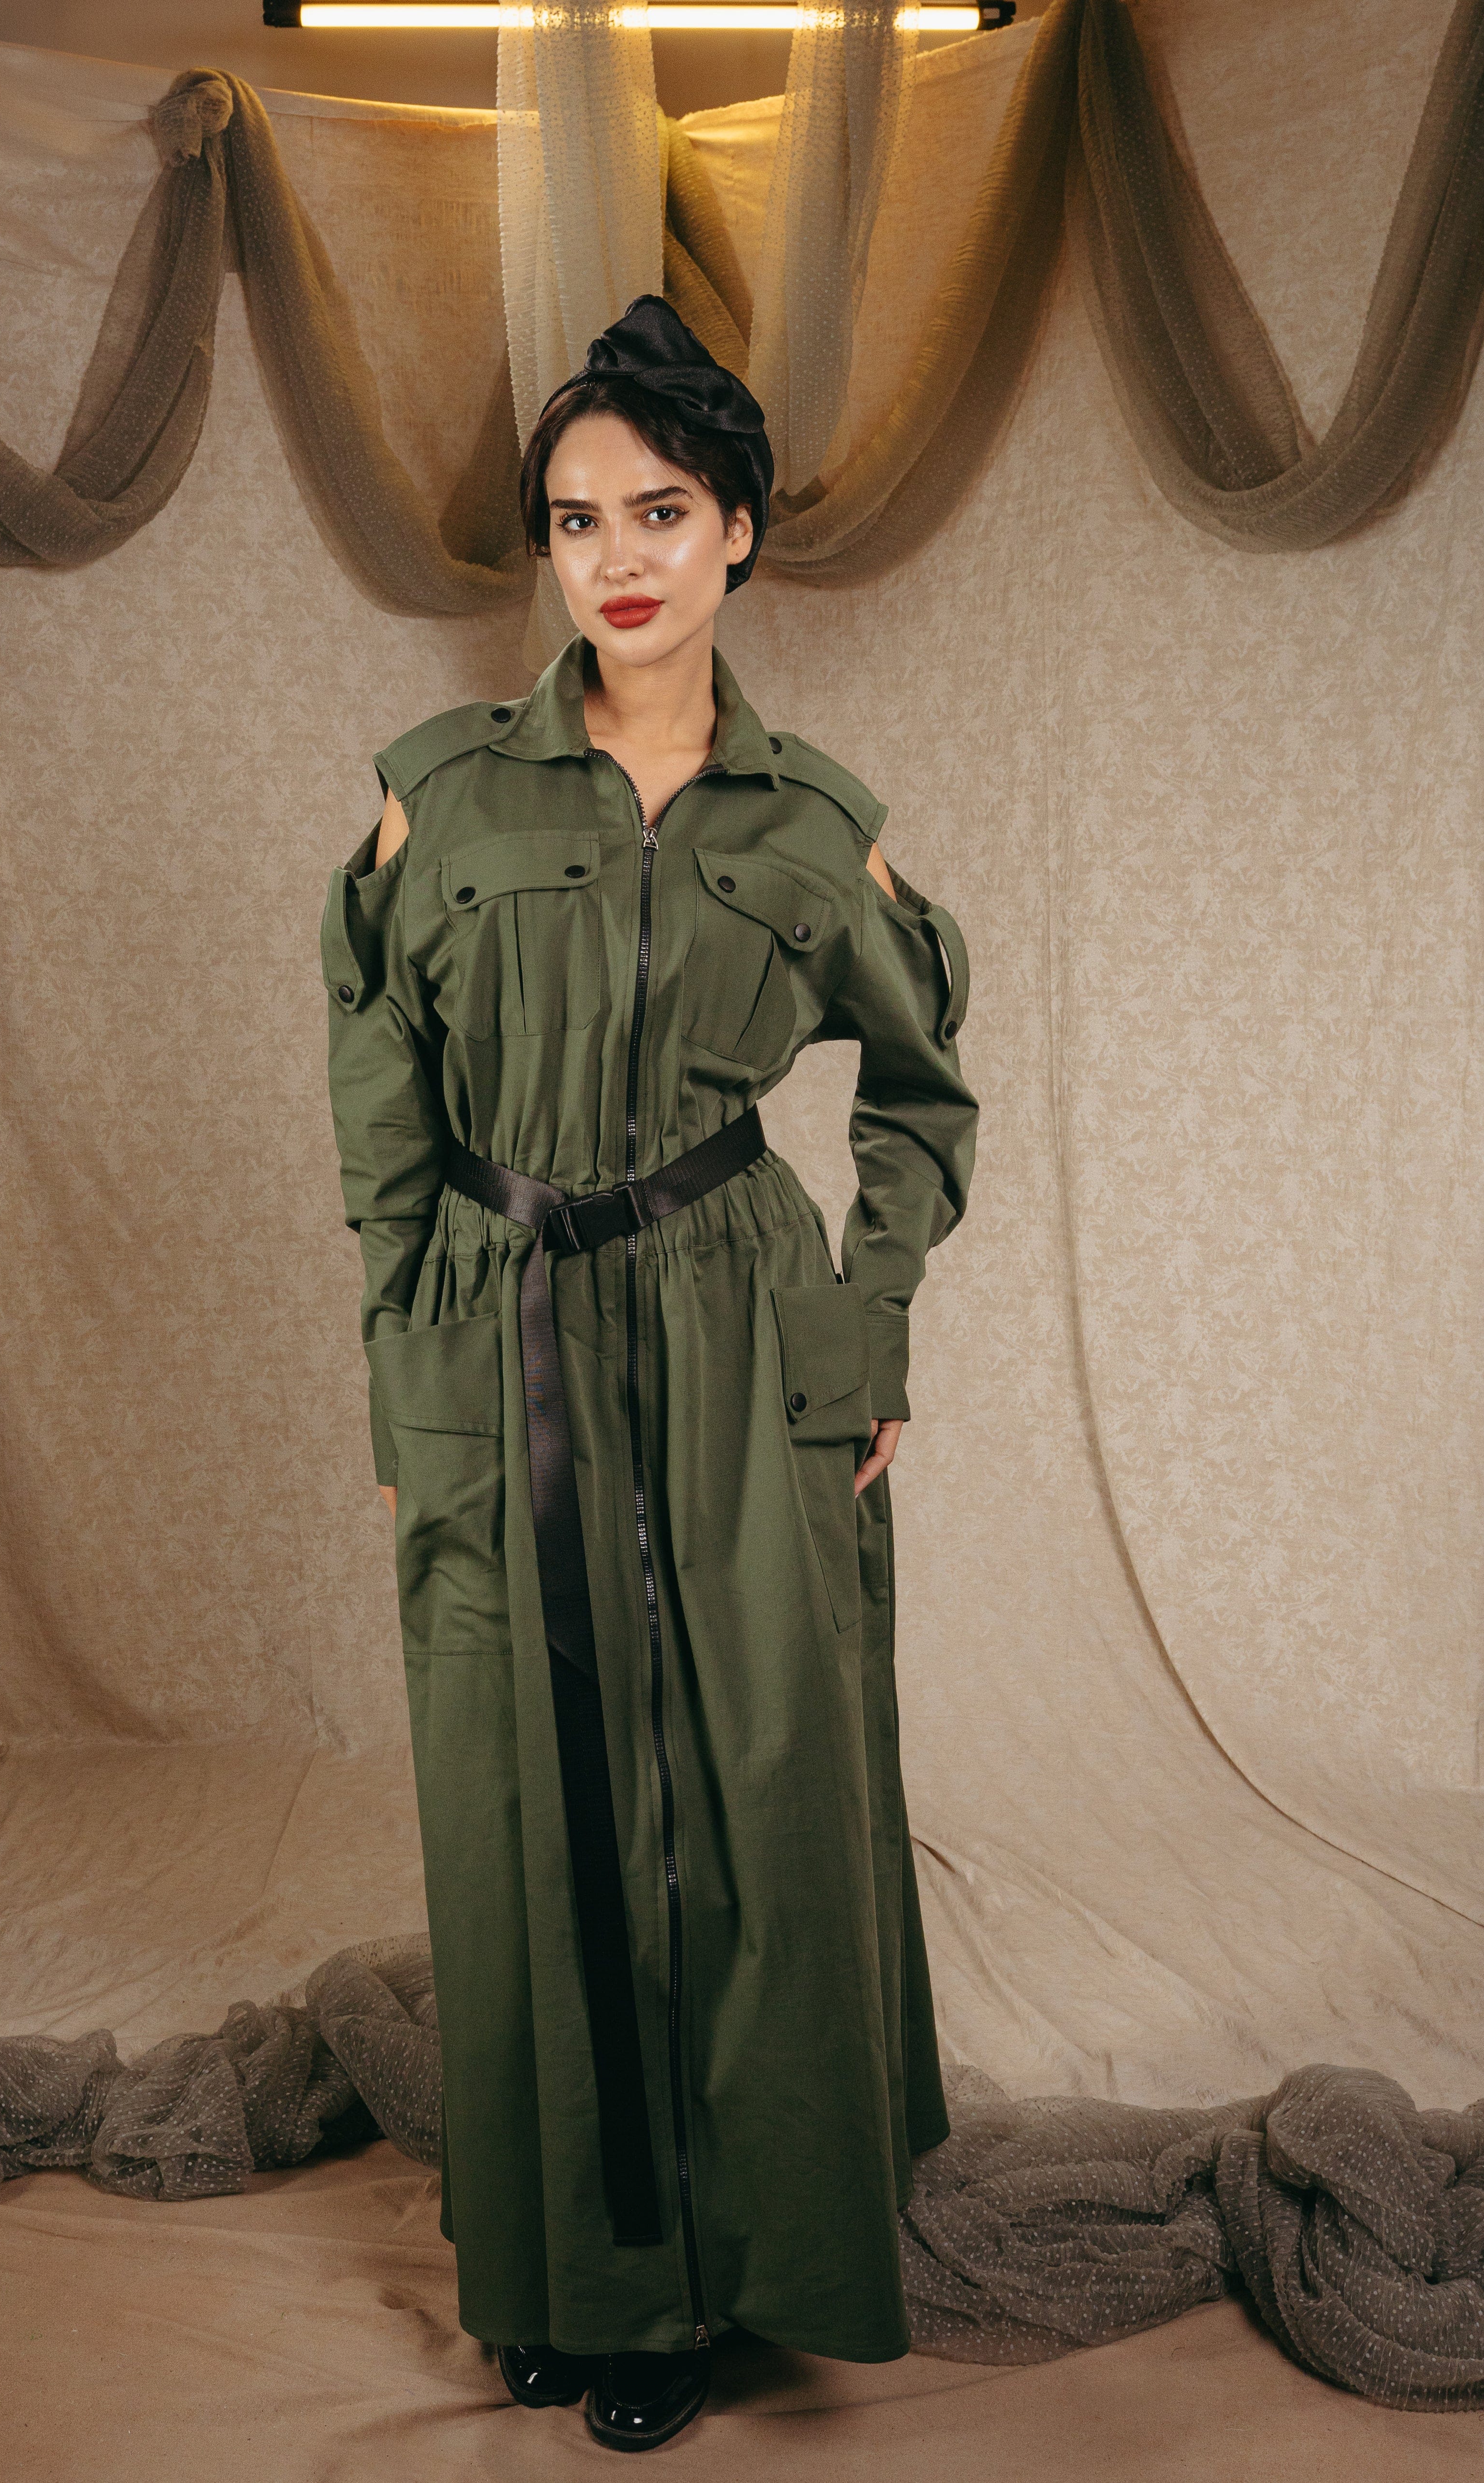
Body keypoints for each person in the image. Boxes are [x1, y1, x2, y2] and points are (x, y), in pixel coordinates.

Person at [322, 295, 978, 2453]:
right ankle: (565, 2267)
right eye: (576, 518)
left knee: (757, 1785)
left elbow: (921, 1089)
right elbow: (383, 1114)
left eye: (662, 510)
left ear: (740, 533)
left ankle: (750, 2258)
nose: (615, 556)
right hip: (500, 1323)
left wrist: (866, 1320)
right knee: (524, 1798)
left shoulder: (811, 828)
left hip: (733, 1326)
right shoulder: (436, 798)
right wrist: (408, 1375)